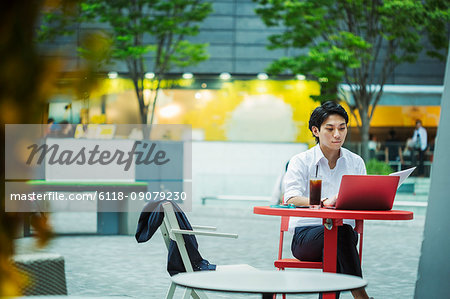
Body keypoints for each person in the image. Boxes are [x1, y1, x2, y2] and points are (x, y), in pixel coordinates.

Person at [284, 101, 372, 299]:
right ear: (315, 130)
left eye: (342, 128)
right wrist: (322, 202)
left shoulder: (356, 162)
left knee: (340, 238)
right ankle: (361, 295)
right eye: (330, 129)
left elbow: (363, 199)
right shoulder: (301, 161)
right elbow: (290, 197)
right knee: (340, 238)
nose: (337, 135)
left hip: (345, 234)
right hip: (306, 237)